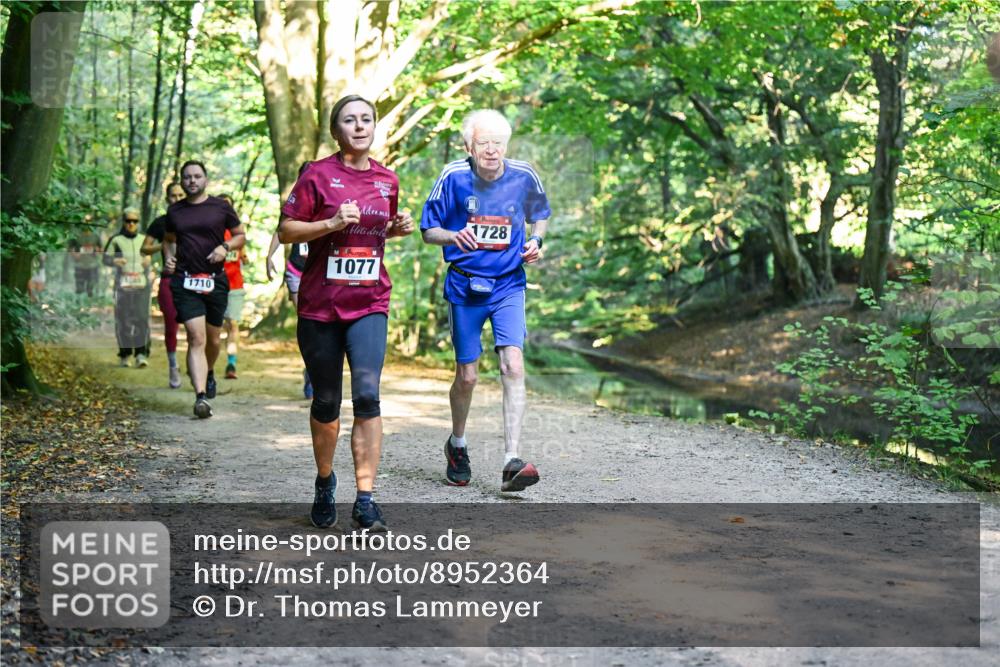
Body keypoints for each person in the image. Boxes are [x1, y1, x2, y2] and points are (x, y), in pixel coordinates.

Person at [278, 94, 414, 531]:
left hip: (370, 300)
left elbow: (375, 234)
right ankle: (323, 482)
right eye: (349, 120)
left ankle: (366, 496)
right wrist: (330, 224)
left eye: (366, 119)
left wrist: (395, 228)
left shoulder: (387, 180)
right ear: (336, 131)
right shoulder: (317, 175)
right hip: (320, 305)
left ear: (375, 127)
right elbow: (286, 231)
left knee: (369, 396)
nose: (359, 126)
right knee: (327, 401)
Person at [420, 109, 550, 492]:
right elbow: (429, 232)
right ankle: (457, 444)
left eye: (497, 143)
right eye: (483, 143)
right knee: (468, 375)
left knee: (512, 364)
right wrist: (453, 236)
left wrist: (536, 241)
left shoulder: (524, 175)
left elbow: (539, 215)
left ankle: (512, 459)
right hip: (465, 286)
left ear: (506, 145)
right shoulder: (453, 177)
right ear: (469, 146)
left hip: (508, 284)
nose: (491, 150)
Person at [164, 160, 246, 418]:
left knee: (212, 339)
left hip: (216, 280)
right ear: (182, 180)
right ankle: (200, 397)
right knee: (195, 337)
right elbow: (168, 240)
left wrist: (225, 247)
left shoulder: (221, 207)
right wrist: (169, 257)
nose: (191, 181)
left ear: (205, 179)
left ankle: (209, 371)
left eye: (197, 176)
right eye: (187, 177)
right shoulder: (175, 211)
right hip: (185, 281)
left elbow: (240, 235)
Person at [266, 163, 313, 398]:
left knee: (319, 324)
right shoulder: (294, 203)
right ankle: (310, 370)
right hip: (296, 271)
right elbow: (280, 230)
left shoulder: (329, 198)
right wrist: (269, 256)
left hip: (320, 272)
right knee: (306, 320)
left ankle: (314, 369)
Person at [143, 181, 187, 388]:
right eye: (173, 196)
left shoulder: (195, 221)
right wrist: (165, 243)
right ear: (167, 198)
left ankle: (199, 367)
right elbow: (145, 248)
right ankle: (173, 366)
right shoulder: (160, 223)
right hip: (169, 279)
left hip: (193, 279)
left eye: (180, 195)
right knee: (172, 325)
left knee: (197, 328)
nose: (177, 199)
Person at [104, 210, 152, 367]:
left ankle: (141, 354)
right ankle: (125, 354)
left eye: (135, 221)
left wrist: (148, 259)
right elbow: (105, 257)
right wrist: (114, 261)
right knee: (123, 319)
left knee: (141, 318)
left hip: (141, 284)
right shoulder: (116, 240)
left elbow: (153, 255)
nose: (131, 224)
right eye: (128, 221)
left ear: (138, 223)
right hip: (123, 285)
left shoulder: (145, 239)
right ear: (123, 222)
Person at [218, 194, 245, 380]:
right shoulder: (211, 231)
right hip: (214, 284)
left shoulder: (238, 232)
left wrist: (244, 257)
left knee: (232, 324)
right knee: (213, 326)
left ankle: (231, 364)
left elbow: (242, 255)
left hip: (235, 285)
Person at [67, 222, 103, 297]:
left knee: (91, 288)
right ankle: (79, 305)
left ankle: (91, 305)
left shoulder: (95, 235)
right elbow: (70, 248)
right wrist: (75, 254)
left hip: (93, 265)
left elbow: (101, 249)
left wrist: (96, 251)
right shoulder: (76, 235)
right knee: (79, 289)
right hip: (79, 265)